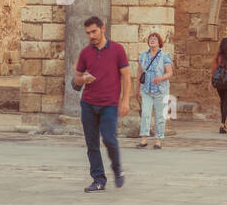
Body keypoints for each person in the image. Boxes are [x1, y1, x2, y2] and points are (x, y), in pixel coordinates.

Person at [74, 16, 130, 192]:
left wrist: (125, 100)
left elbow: (127, 76)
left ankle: (117, 168)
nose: (91, 35)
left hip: (109, 105)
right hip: (88, 104)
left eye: (94, 31)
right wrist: (83, 79)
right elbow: (76, 78)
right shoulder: (85, 53)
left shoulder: (118, 50)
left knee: (109, 138)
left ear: (103, 29)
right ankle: (98, 179)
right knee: (92, 144)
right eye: (88, 33)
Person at [136, 32, 173, 149]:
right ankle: (143, 139)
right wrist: (136, 89)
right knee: (145, 114)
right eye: (150, 39)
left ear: (159, 42)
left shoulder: (164, 56)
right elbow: (139, 73)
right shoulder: (143, 56)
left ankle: (158, 140)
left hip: (160, 91)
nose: (152, 40)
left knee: (159, 116)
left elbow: (170, 73)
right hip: (146, 90)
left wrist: (160, 78)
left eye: (155, 39)